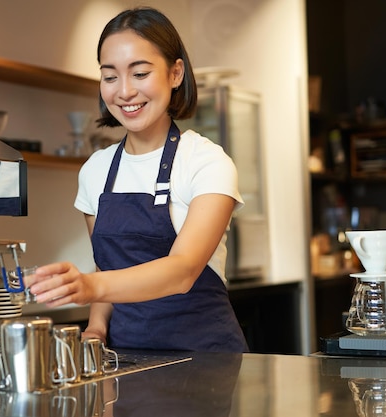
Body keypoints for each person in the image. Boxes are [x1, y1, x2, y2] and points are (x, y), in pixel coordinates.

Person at [25, 7, 248, 353]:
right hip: (126, 359)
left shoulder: (206, 162)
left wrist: (89, 285)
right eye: (110, 77)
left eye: (140, 73)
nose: (125, 91)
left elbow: (183, 270)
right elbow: (108, 267)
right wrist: (96, 328)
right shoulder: (95, 171)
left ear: (176, 73)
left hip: (206, 360)